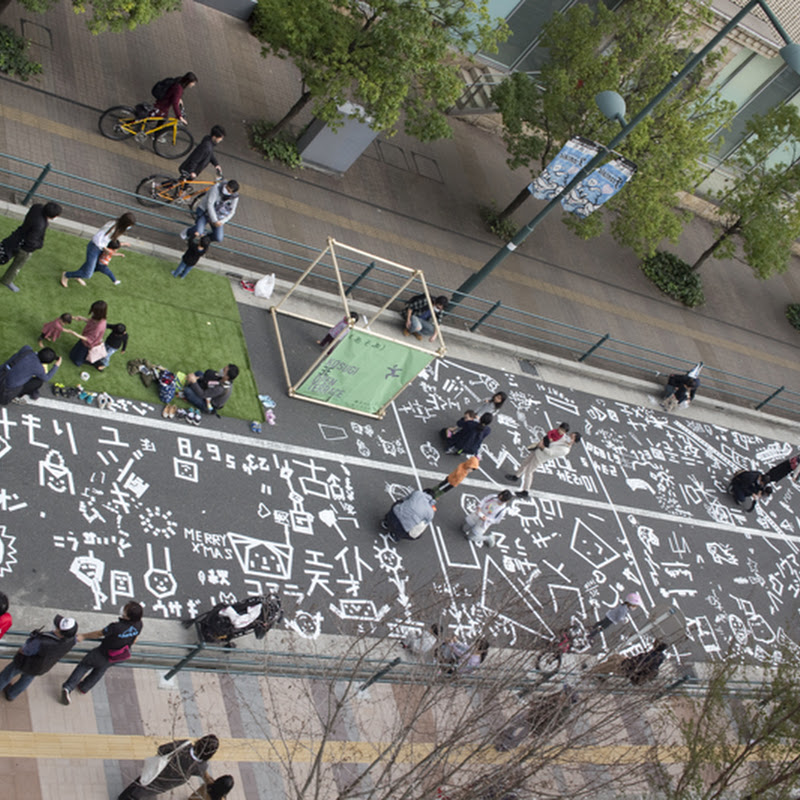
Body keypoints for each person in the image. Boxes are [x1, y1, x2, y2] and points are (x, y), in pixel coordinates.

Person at [61, 601, 143, 704]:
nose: (123, 609)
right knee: (101, 669)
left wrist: (84, 636)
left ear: (128, 616)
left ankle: (68, 687)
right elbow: (134, 639)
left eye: (125, 609)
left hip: (102, 653)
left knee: (84, 665)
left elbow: (99, 633)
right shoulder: (139, 625)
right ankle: (84, 687)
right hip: (119, 655)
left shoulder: (116, 627)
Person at [0, 614, 78, 701]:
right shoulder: (71, 640)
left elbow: (25, 651)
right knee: (27, 679)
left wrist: (20, 650)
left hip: (23, 663)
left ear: (60, 633)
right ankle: (12, 694)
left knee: (6, 675)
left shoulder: (41, 641)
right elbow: (78, 638)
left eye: (57, 627)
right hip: (40, 667)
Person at [118, 734, 218, 800]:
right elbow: (203, 775)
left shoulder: (184, 745)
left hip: (158, 771)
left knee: (140, 783)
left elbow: (162, 749)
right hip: (167, 784)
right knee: (144, 792)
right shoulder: (201, 766)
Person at [0, 201, 62, 292]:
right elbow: (31, 241)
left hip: (16, 237)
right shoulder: (40, 225)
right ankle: (7, 280)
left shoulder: (37, 207)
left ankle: (7, 280)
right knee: (16, 266)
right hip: (24, 248)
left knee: (3, 253)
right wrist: (40, 245)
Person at [61, 213, 135, 288]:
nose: (129, 227)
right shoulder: (112, 226)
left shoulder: (118, 228)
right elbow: (97, 237)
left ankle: (78, 276)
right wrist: (105, 248)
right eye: (129, 225)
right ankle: (66, 275)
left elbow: (109, 240)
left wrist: (121, 244)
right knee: (88, 274)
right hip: (95, 247)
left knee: (88, 266)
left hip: (101, 248)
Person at [505, 431, 582, 498]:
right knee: (525, 463)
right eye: (570, 435)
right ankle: (516, 476)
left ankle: (525, 491)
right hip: (538, 451)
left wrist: (542, 446)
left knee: (529, 472)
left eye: (571, 437)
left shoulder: (565, 450)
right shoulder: (563, 438)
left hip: (541, 457)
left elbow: (551, 453)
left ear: (574, 441)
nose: (569, 437)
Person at [183, 179, 239, 244]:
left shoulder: (235, 197)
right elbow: (210, 204)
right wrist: (215, 220)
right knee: (199, 231)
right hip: (205, 212)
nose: (226, 191)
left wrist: (221, 222)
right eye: (226, 188)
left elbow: (232, 211)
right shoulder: (217, 187)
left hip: (219, 217)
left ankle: (203, 239)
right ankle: (187, 232)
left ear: (233, 193)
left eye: (229, 191)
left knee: (218, 237)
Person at [69, 300, 108, 368]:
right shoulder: (98, 317)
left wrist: (75, 334)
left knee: (78, 360)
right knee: (73, 353)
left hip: (88, 343)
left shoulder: (99, 326)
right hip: (84, 338)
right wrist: (82, 318)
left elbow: (89, 339)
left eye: (94, 311)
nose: (92, 312)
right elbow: (91, 321)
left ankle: (95, 363)